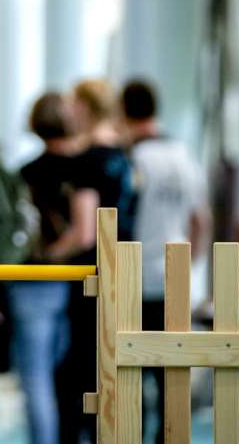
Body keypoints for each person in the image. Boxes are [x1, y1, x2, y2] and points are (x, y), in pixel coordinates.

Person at [119, 79, 209, 444]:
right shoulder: (184, 156)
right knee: (171, 369)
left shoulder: (132, 159)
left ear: (123, 112)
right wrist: (191, 264)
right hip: (175, 275)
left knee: (131, 369)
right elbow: (200, 220)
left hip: (135, 274)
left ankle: (133, 436)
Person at [55, 78, 135, 444]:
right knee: (114, 367)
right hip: (124, 267)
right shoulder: (123, 154)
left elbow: (84, 232)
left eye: (72, 103)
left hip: (91, 273)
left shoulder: (85, 160)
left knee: (76, 372)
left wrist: (47, 256)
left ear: (85, 107)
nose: (67, 111)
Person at [13, 91, 83, 444]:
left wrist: (45, 256)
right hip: (79, 280)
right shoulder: (85, 170)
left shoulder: (25, 173)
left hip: (32, 279)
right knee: (67, 375)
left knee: (36, 377)